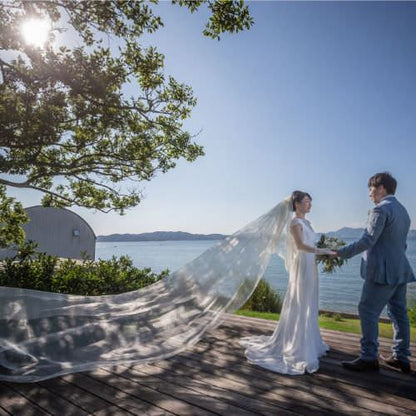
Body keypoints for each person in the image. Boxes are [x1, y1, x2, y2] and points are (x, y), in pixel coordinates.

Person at [240, 191, 335, 375]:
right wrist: (323, 251)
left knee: (309, 301)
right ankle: (297, 345)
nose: (310, 205)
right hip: (303, 265)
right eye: (307, 201)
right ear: (297, 204)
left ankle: (309, 341)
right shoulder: (295, 223)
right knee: (300, 301)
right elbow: (300, 246)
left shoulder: (307, 223)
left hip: (310, 265)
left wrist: (321, 252)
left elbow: (309, 245)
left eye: (310, 202)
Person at [336, 172, 415, 373]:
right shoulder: (404, 211)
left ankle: (369, 357)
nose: (370, 194)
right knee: (399, 314)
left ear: (381, 188)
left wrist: (340, 252)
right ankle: (402, 357)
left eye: (371, 189)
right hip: (400, 270)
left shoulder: (380, 210)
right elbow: (400, 244)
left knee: (367, 310)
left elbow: (367, 241)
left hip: (382, 272)